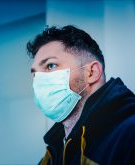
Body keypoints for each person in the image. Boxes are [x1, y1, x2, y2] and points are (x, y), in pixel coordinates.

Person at [26, 25, 135, 165]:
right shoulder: (53, 153)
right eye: (35, 74)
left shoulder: (129, 135)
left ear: (92, 72)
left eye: (50, 65)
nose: (39, 81)